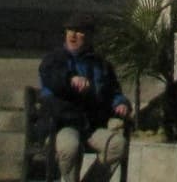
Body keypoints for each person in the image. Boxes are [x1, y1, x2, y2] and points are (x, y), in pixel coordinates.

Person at [38, 14, 132, 182]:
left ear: (89, 36)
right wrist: (71, 79)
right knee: (70, 148)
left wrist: (121, 103)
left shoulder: (101, 64)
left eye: (79, 31)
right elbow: (52, 79)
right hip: (62, 124)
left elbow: (113, 91)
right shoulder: (54, 59)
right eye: (70, 30)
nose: (73, 35)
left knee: (118, 145)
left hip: (91, 125)